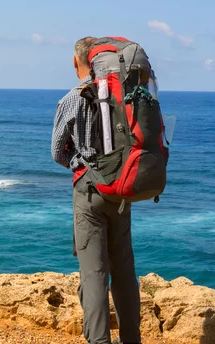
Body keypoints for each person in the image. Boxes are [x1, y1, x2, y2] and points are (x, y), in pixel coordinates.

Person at [51, 37, 141, 344]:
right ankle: (132, 339)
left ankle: (99, 341)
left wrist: (80, 165)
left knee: (94, 275)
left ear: (76, 62)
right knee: (125, 271)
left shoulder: (71, 99)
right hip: (121, 190)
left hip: (88, 192)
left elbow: (57, 152)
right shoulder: (122, 96)